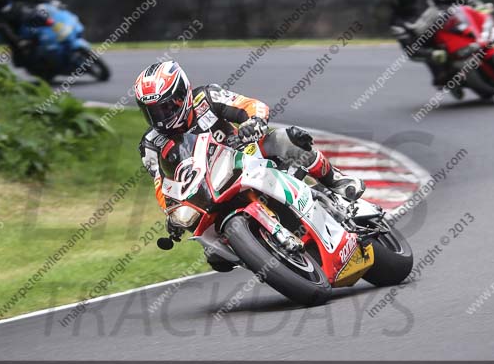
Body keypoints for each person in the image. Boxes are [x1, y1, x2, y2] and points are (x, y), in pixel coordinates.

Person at [135, 61, 365, 271]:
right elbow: (162, 185)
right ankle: (256, 250)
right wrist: (171, 212)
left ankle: (336, 180)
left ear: (182, 94)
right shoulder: (150, 144)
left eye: (165, 108)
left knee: (285, 139)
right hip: (206, 192)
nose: (160, 118)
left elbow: (250, 105)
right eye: (151, 112)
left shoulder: (205, 98)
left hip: (245, 157)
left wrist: (253, 122)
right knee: (216, 257)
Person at [389, 0, 478, 90]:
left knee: (477, 21)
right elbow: (409, 48)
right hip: (432, 45)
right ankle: (449, 78)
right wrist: (430, 54)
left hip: (451, 25)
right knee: (442, 77)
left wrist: (473, 2)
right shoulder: (397, 21)